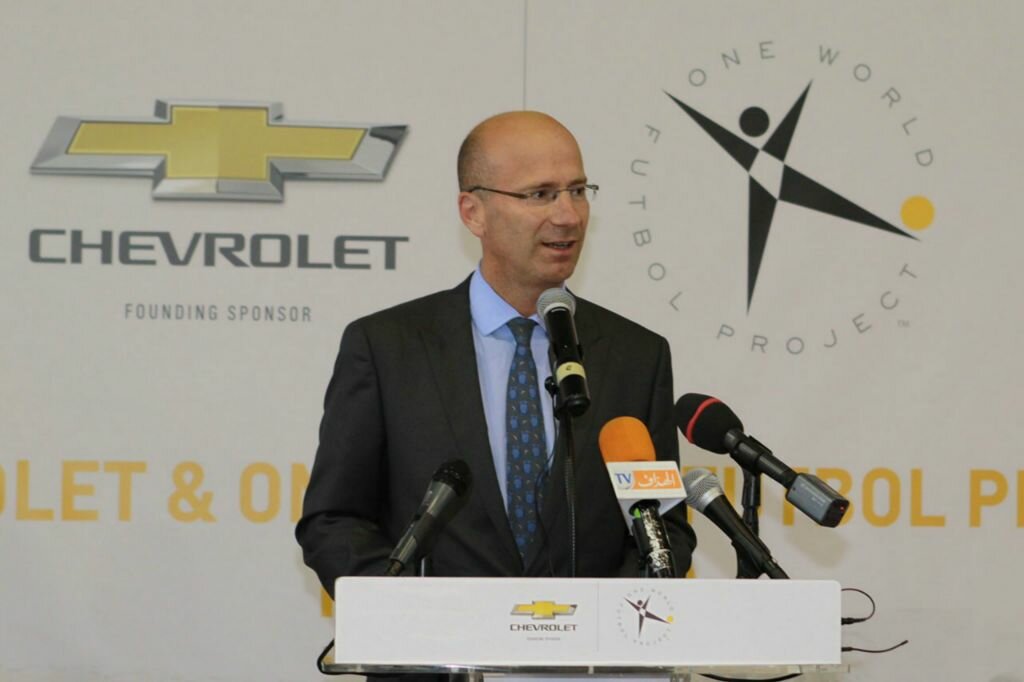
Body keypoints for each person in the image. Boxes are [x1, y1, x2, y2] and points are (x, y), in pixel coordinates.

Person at [296, 111, 695, 595]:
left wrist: (604, 622)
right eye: (540, 194)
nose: (568, 215)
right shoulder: (387, 348)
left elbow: (663, 529)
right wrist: (406, 616)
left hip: (590, 643)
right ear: (473, 212)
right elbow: (335, 521)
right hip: (439, 641)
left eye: (577, 190)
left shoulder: (637, 356)